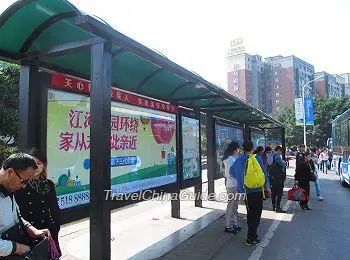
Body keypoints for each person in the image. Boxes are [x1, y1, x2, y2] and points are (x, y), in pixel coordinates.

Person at [0, 153, 50, 258]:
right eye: (24, 181)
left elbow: (16, 217)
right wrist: (18, 248)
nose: (24, 186)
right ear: (10, 172)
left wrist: (31, 229)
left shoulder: (9, 189)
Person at [15, 148, 62, 257]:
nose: (36, 167)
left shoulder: (48, 184)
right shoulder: (20, 185)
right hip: (28, 231)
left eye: (39, 163)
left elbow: (55, 208)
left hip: (47, 230)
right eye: (33, 163)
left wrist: (55, 228)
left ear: (44, 165)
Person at [231, 141, 271, 246]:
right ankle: (251, 236)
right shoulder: (257, 158)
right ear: (252, 148)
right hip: (258, 190)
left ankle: (253, 235)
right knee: (257, 214)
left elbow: (231, 172)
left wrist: (241, 179)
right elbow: (264, 173)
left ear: (243, 149)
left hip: (246, 191)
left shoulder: (239, 159)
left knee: (250, 213)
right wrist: (267, 187)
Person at [222, 141, 241, 234]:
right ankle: (228, 225)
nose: (239, 150)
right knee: (231, 205)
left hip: (232, 184)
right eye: (238, 148)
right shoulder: (231, 160)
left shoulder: (229, 159)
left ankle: (233, 224)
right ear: (234, 150)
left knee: (234, 205)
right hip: (233, 184)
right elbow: (231, 173)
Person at [267, 146, 287, 213]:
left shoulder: (270, 156)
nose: (280, 153)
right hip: (278, 177)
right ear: (278, 150)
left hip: (272, 177)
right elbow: (283, 165)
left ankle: (273, 206)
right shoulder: (277, 156)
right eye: (280, 151)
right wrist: (284, 162)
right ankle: (277, 207)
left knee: (273, 192)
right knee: (279, 192)